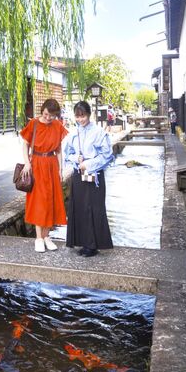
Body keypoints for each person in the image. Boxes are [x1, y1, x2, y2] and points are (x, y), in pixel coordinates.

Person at [63, 101, 114, 257]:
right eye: (77, 116)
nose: (80, 119)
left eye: (83, 116)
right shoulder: (73, 133)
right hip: (79, 176)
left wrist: (88, 163)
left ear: (89, 114)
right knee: (79, 208)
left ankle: (93, 245)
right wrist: (76, 158)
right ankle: (84, 242)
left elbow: (107, 156)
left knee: (93, 209)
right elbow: (67, 154)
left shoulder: (99, 132)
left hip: (95, 175)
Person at [20, 98, 68, 253]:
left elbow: (59, 149)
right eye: (47, 114)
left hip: (52, 164)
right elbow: (25, 144)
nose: (48, 118)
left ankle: (47, 236)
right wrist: (27, 163)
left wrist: (60, 169)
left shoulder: (57, 125)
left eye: (52, 116)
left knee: (51, 201)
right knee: (39, 202)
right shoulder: (33, 123)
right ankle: (39, 238)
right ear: (43, 110)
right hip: (37, 164)